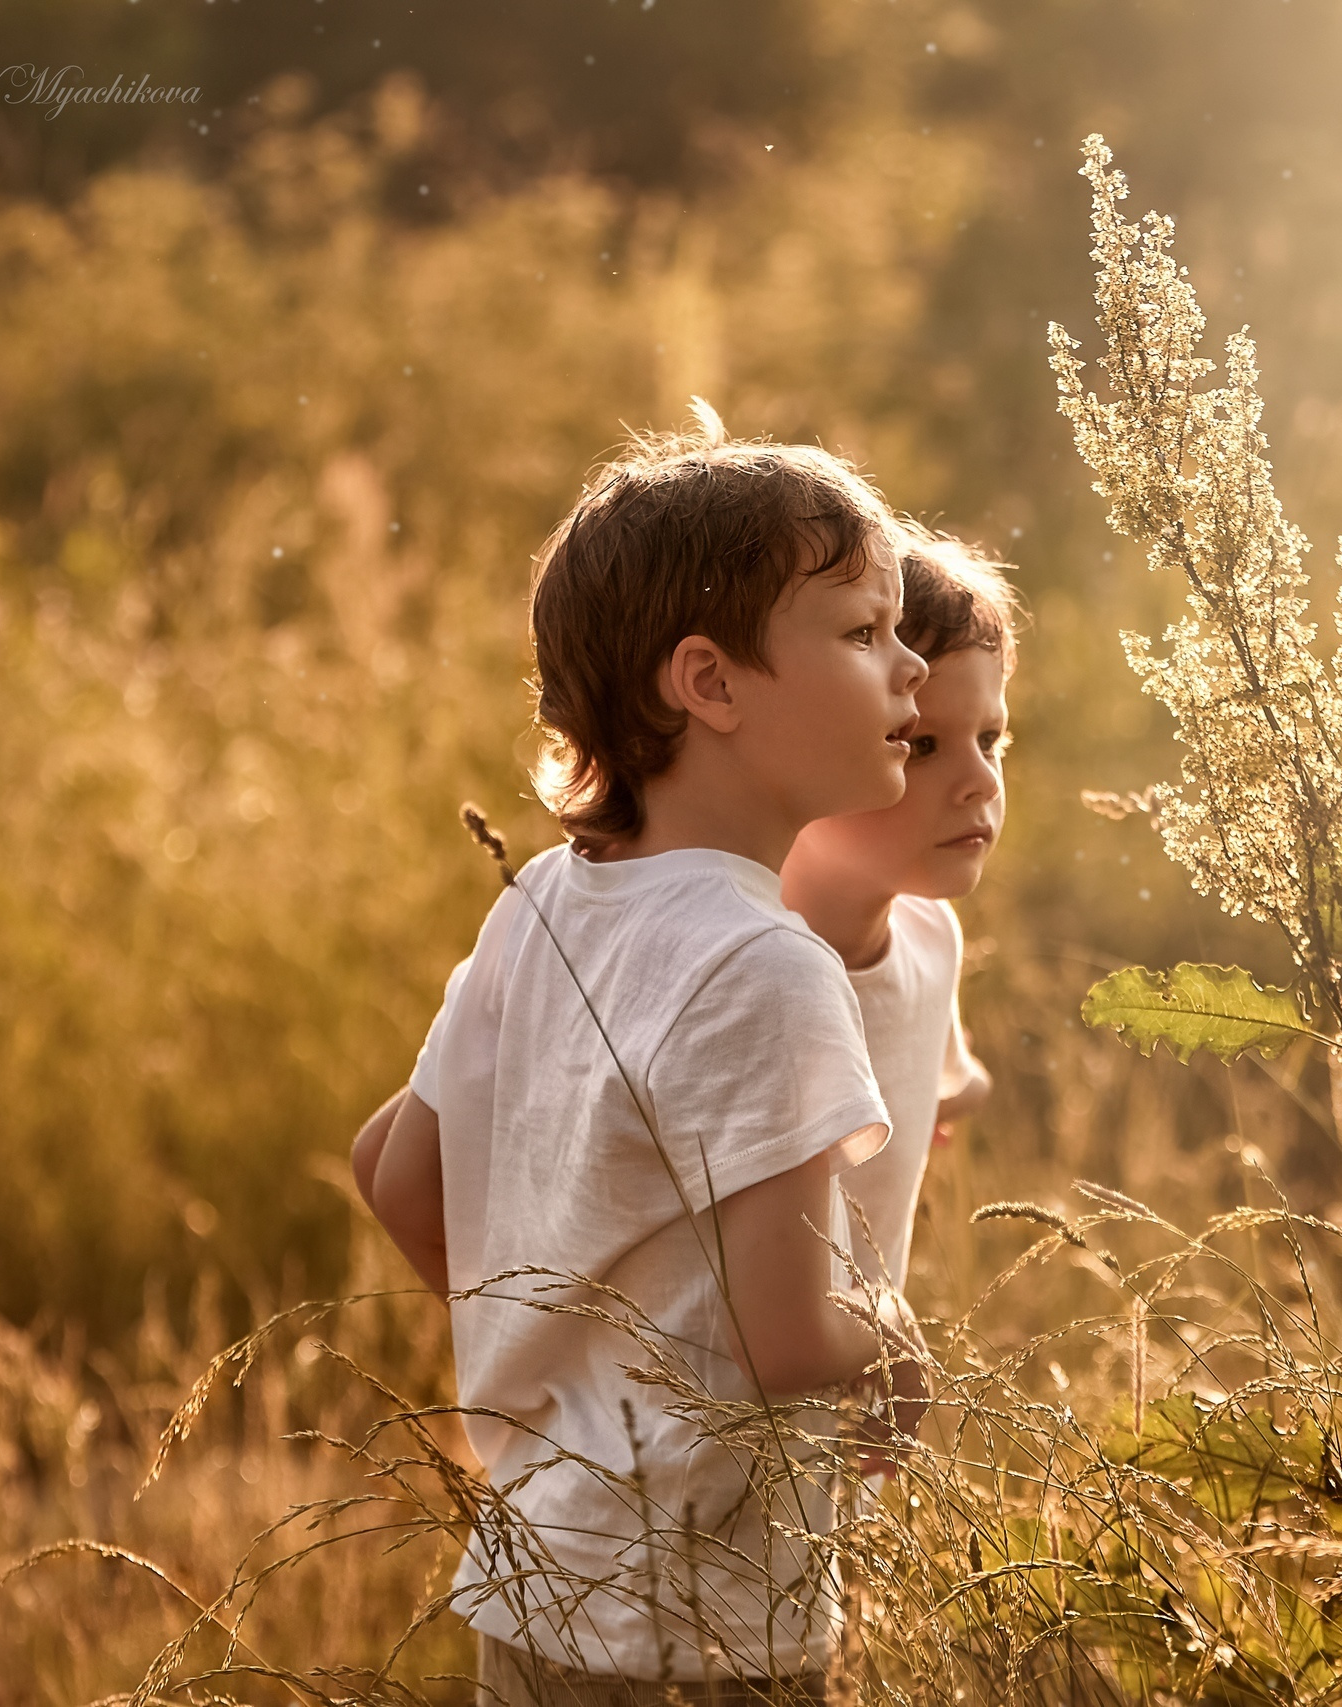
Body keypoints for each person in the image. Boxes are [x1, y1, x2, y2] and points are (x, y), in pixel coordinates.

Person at [349, 422, 929, 1703]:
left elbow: (389, 1173)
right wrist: (895, 1347)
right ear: (709, 685)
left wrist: (556, 1340)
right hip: (702, 1614)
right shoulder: (767, 965)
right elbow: (788, 1338)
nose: (911, 666)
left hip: (535, 1581)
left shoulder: (547, 898)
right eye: (861, 632)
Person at [780, 527, 1021, 1301]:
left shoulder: (928, 936)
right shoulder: (739, 965)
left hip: (855, 1405)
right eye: (921, 746)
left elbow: (942, 1071)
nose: (980, 780)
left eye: (990, 738)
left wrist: (941, 1097)